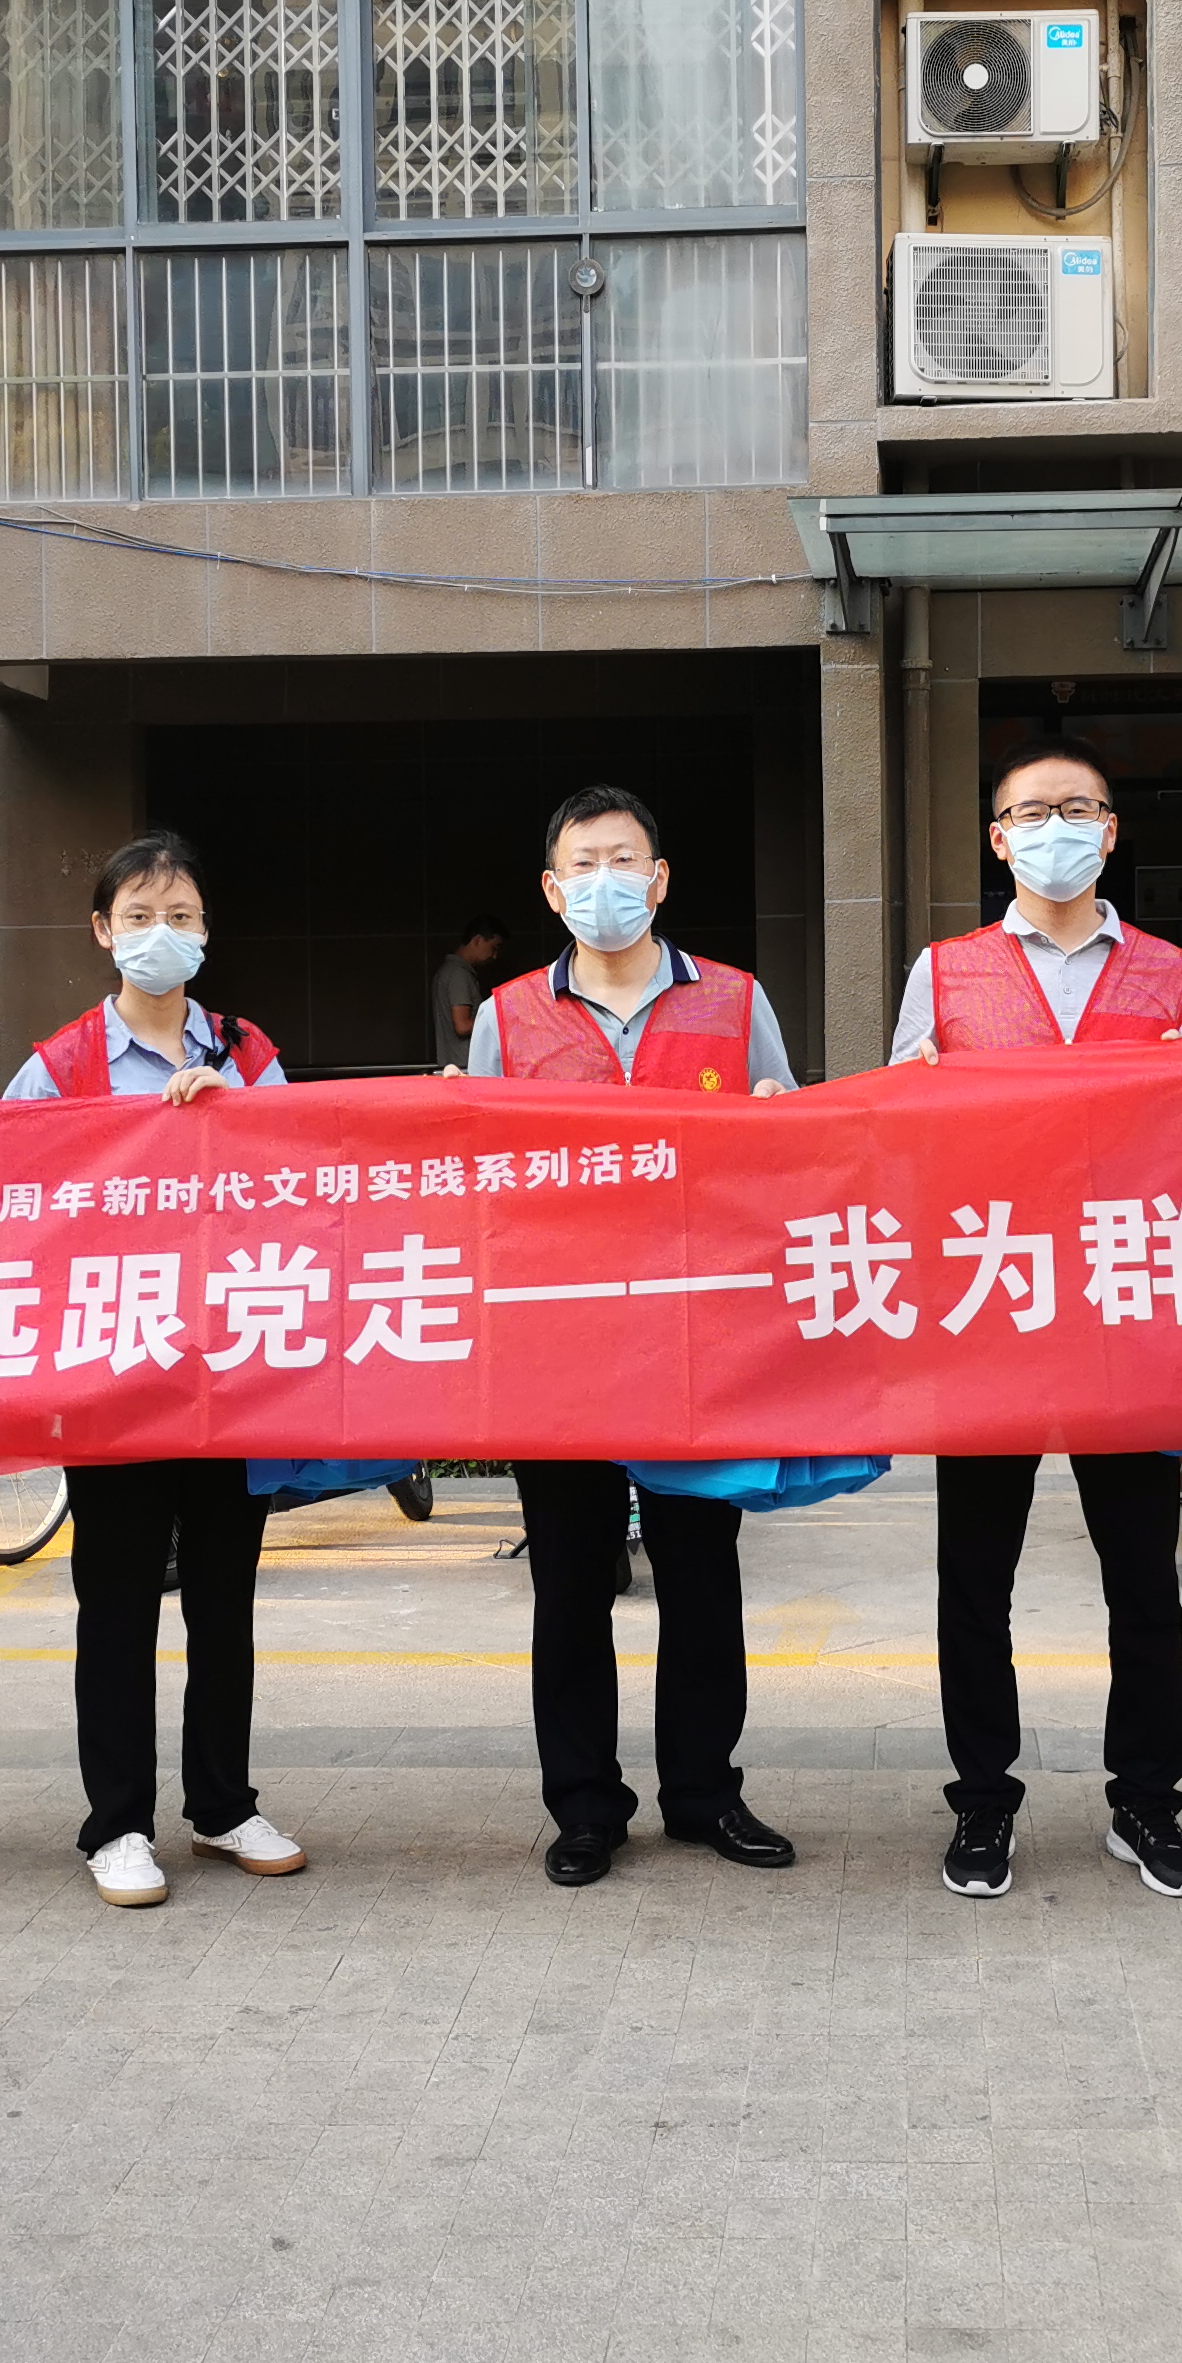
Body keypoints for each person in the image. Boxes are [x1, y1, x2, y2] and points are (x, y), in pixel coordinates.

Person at [890, 734, 1182, 1903]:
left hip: (1128, 1311)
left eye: (1077, 808)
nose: (1054, 829)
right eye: (1031, 813)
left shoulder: (1170, 973)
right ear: (998, 839)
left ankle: (1147, 1802)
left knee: (1146, 1583)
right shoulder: (945, 973)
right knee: (976, 1582)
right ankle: (983, 1803)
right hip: (994, 1310)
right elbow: (898, 1138)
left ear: (1111, 832)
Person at [466, 784, 799, 1887]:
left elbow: (791, 1148)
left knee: (702, 1577)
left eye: (624, 860)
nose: (604, 881)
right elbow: (475, 1182)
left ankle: (704, 1793)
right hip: (559, 1344)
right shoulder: (507, 1015)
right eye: (583, 863)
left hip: (698, 1340)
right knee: (570, 1586)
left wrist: (775, 1127)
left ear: (659, 880)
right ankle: (584, 1807)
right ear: (551, 889)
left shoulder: (735, 999)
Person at [2, 829, 310, 1908]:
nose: (160, 935)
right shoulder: (58, 1067)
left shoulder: (249, 1054)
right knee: (119, 1604)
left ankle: (223, 1806)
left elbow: (309, 1182)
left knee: (225, 1601)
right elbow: (9, 1201)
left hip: (229, 1369)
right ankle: (117, 1823)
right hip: (115, 1371)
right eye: (139, 917)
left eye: (179, 917)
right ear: (102, 931)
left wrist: (239, 1121)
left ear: (206, 932)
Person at [431, 914, 507, 1071]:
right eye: (494, 947)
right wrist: (499, 1019)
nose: (494, 956)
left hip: (454, 1063)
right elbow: (462, 1025)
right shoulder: (459, 975)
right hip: (463, 1065)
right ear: (478, 940)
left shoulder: (450, 971)